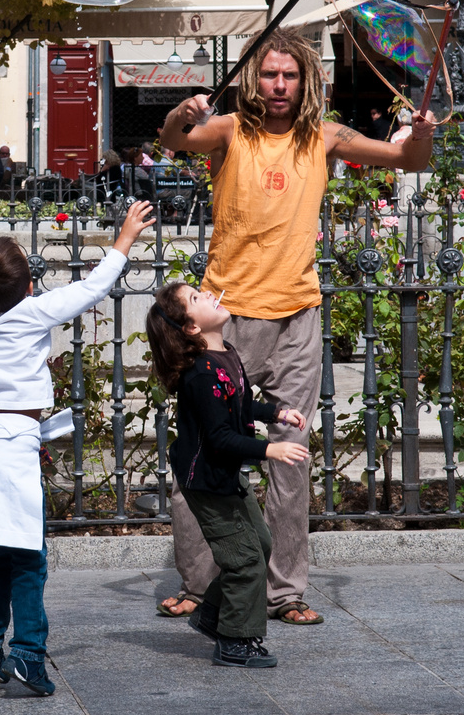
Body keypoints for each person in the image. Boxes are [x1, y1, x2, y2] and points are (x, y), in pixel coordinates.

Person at [157, 28, 437, 626]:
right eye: (269, 74)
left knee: (292, 457)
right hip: (226, 323)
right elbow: (178, 138)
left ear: (306, 80)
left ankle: (285, 592)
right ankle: (201, 582)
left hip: (298, 317)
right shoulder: (231, 130)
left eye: (289, 75)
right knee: (201, 453)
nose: (279, 85)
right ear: (253, 78)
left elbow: (406, 159)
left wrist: (424, 135)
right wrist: (180, 113)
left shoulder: (325, 137)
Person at [0, 200, 156, 697]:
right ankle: (27, 653)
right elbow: (94, 287)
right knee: (30, 556)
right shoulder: (34, 310)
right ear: (28, 284)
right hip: (12, 443)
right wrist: (126, 237)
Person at [146, 281, 309, 669]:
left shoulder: (226, 354)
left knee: (262, 544)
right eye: (196, 299)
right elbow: (219, 438)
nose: (208, 295)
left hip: (224, 476)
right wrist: (270, 448)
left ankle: (212, 614)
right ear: (191, 328)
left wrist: (276, 413)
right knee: (244, 561)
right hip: (205, 481)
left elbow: (239, 402)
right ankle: (235, 640)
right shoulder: (200, 373)